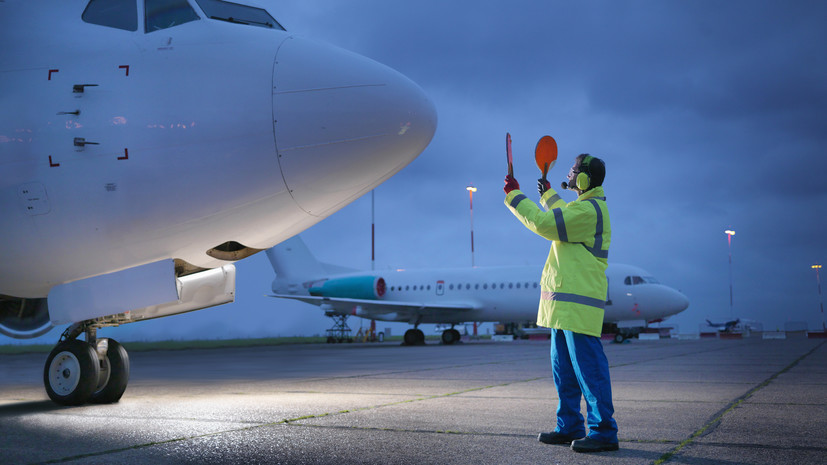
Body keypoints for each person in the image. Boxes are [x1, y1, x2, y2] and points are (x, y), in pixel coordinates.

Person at [503, 154, 618, 453]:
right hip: (563, 308)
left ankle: (604, 432)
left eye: (574, 171)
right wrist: (549, 194)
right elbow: (563, 213)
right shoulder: (583, 207)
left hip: (577, 309)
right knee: (564, 372)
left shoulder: (590, 211)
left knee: (589, 372)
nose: (570, 174)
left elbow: (546, 224)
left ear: (582, 180)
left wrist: (515, 196)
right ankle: (569, 426)